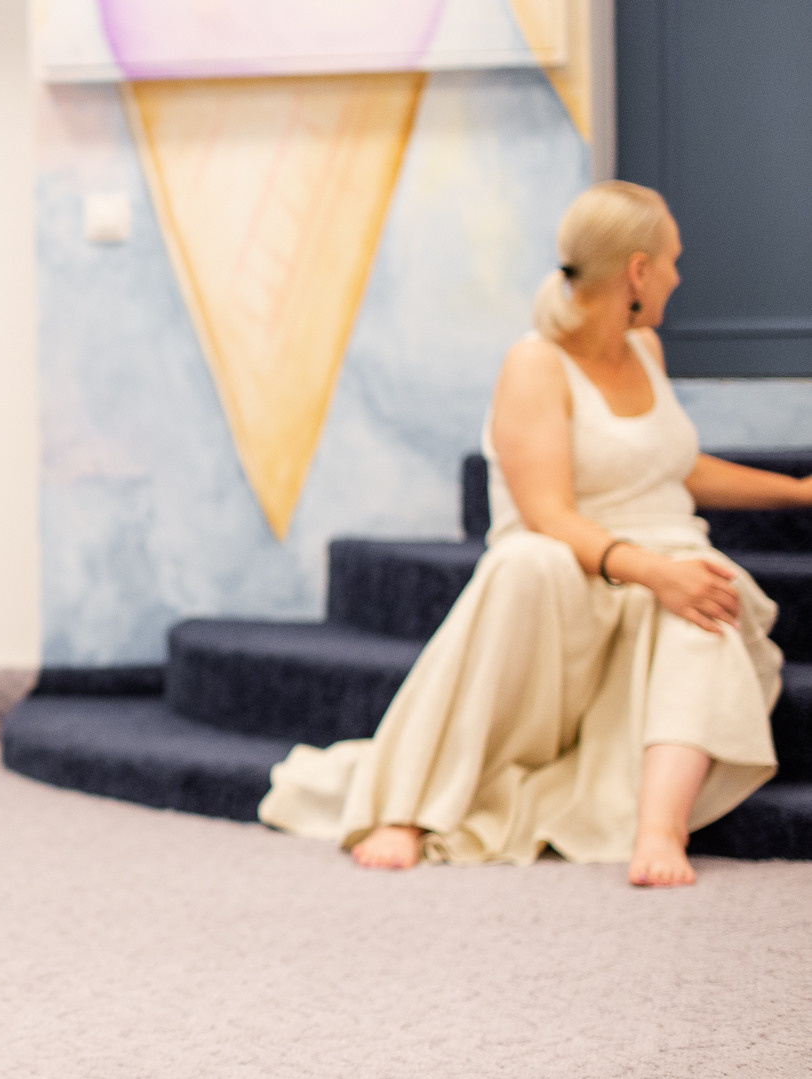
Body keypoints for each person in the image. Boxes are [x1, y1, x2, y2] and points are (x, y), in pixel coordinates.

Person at [261, 182, 811, 886]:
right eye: (673, 260)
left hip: (662, 554)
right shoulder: (535, 363)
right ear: (637, 272)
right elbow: (547, 512)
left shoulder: (645, 349)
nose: (680, 274)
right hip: (569, 568)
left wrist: (795, 492)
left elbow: (666, 458)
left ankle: (657, 830)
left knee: (707, 603)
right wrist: (652, 571)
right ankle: (411, 806)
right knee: (526, 561)